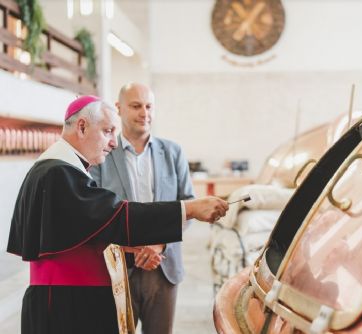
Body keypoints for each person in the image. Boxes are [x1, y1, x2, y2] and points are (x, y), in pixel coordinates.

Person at [7, 95, 228, 334]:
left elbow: (84, 237)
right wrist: (190, 209)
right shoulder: (59, 173)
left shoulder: (60, 170)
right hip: (68, 304)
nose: (113, 143)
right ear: (82, 126)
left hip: (70, 299)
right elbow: (117, 215)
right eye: (108, 131)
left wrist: (131, 254)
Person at [90, 83, 191, 333]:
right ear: (119, 108)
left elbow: (188, 205)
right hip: (119, 269)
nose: (144, 113)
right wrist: (133, 248)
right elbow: (95, 211)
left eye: (148, 106)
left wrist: (159, 244)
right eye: (136, 106)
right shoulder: (103, 154)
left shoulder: (173, 152)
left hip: (163, 267)